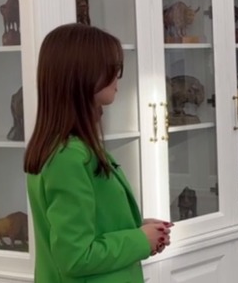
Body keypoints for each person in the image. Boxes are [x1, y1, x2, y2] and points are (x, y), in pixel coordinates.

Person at [24, 23, 172, 283]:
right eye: (113, 68)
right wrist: (140, 240)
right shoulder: (67, 157)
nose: (118, 78)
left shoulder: (75, 148)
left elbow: (92, 226)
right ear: (84, 74)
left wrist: (140, 230)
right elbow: (75, 256)